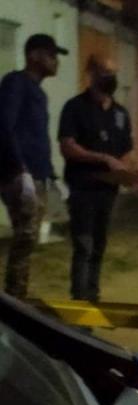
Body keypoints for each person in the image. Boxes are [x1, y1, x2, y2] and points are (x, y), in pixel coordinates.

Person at [58, 55, 134, 301]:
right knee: (84, 245)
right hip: (83, 188)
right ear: (90, 74)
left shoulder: (120, 113)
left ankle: (93, 297)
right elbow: (67, 146)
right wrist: (104, 158)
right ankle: (79, 302)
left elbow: (127, 149)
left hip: (108, 191)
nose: (110, 78)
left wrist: (126, 168)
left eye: (113, 73)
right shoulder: (75, 107)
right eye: (104, 72)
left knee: (99, 245)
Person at [0, 34, 68, 299]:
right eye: (51, 55)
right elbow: (4, 127)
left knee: (29, 238)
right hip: (20, 176)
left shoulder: (38, 92)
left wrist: (51, 175)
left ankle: (17, 296)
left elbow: (38, 138)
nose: (56, 61)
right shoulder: (16, 83)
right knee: (25, 237)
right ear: (34, 56)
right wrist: (21, 170)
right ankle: (14, 300)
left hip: (37, 177)